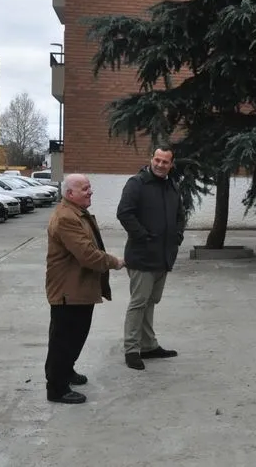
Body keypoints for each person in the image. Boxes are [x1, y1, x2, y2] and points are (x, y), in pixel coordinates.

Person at [44, 173, 125, 404]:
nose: (91, 192)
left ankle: (66, 371)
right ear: (70, 194)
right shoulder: (66, 218)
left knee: (76, 335)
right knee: (63, 339)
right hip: (68, 291)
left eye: (89, 187)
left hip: (78, 288)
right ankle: (57, 388)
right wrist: (114, 262)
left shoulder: (75, 211)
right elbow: (87, 255)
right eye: (85, 189)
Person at [116, 145, 186, 370]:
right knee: (138, 303)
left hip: (163, 256)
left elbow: (179, 215)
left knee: (150, 302)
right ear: (151, 159)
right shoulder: (137, 184)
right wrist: (144, 237)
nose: (160, 164)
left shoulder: (172, 186)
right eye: (157, 159)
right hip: (142, 256)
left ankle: (148, 345)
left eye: (165, 162)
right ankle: (131, 349)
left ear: (171, 165)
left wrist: (176, 237)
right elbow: (124, 213)